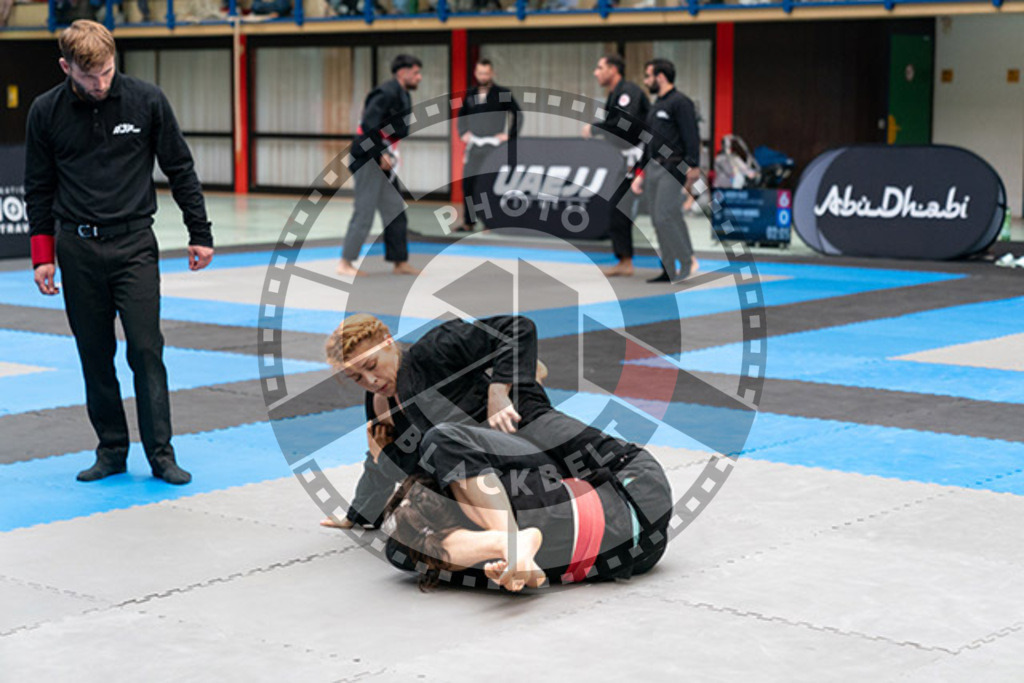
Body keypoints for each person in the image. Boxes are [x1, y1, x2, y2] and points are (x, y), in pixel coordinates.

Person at [24, 20, 214, 485]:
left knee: (147, 350)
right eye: (90, 77)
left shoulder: (147, 100)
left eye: (108, 72)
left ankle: (161, 454)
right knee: (95, 352)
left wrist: (200, 231)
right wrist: (42, 255)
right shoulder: (45, 111)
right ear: (67, 67)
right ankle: (111, 449)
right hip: (78, 248)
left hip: (134, 247)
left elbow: (180, 167)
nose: (101, 83)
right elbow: (38, 186)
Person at [338, 54, 423, 278]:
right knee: (364, 212)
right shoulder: (384, 93)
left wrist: (388, 154)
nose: (419, 77)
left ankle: (399, 262)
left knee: (395, 210)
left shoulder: (403, 94)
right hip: (368, 157)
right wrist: (380, 154)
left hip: (384, 158)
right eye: (415, 72)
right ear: (402, 72)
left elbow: (397, 130)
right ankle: (345, 263)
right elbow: (368, 128)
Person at [632, 58, 701, 283]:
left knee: (664, 216)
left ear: (660, 77)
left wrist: (693, 164)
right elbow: (648, 141)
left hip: (674, 165)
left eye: (648, 76)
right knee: (658, 218)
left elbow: (691, 135)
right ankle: (669, 267)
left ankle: (687, 260)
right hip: (653, 166)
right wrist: (640, 172)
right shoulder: (655, 106)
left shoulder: (681, 103)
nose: (646, 80)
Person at [582, 54, 650, 278]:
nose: (596, 72)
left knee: (663, 214)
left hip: (646, 158)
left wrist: (595, 129)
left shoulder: (628, 92)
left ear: (613, 70)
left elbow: (625, 124)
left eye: (600, 67)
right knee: (617, 209)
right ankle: (625, 261)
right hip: (628, 161)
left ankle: (686, 259)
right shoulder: (615, 94)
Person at [454, 58, 522, 233]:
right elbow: (461, 115)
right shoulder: (470, 94)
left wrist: (510, 136)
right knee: (468, 184)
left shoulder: (502, 93)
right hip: (475, 145)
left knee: (489, 184)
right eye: (480, 73)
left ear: (492, 73)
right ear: (476, 74)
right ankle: (469, 222)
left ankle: (489, 223)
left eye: (486, 73)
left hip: (493, 145)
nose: (483, 76)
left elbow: (517, 114)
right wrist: (463, 133)